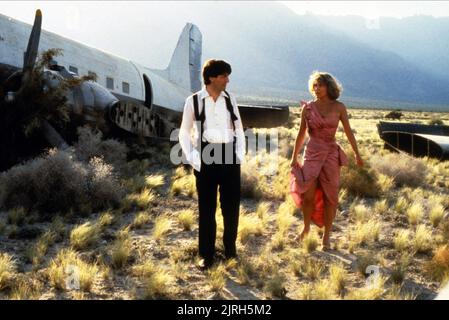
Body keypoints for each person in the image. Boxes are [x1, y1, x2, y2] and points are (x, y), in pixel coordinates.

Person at [178, 59, 246, 270]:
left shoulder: (230, 99)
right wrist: (194, 159)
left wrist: (238, 156)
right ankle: (205, 255)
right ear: (211, 78)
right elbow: (184, 132)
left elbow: (239, 129)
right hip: (205, 158)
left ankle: (230, 252)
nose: (227, 80)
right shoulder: (194, 101)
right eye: (224, 76)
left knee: (231, 208)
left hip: (229, 156)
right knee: (207, 209)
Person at [290, 71, 363, 251]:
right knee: (308, 195)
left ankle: (326, 237)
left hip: (330, 154)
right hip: (312, 152)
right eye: (314, 85)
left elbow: (348, 132)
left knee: (331, 197)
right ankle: (306, 229)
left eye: (320, 85)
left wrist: (357, 153)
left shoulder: (339, 107)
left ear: (329, 87)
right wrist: (294, 156)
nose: (316, 89)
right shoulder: (307, 108)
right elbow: (301, 133)